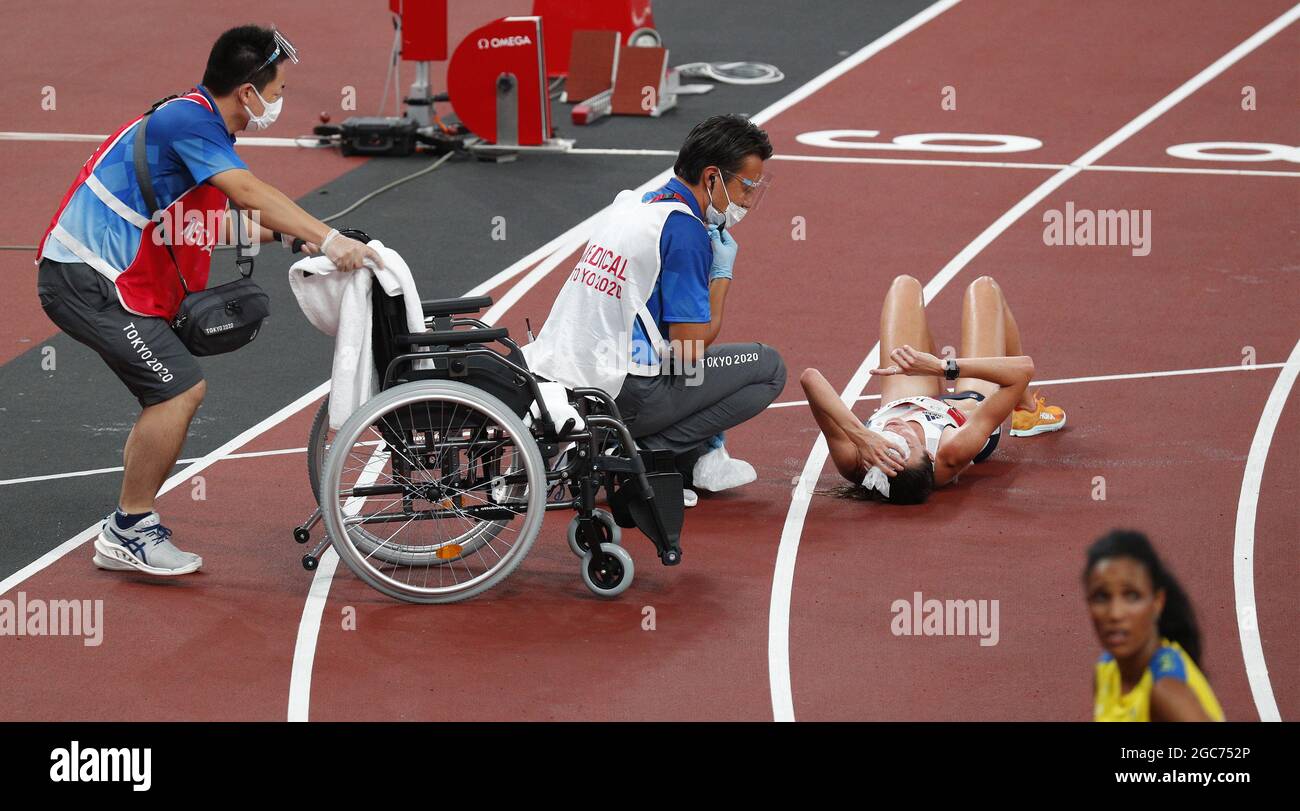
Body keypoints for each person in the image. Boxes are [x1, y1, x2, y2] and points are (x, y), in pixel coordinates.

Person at [34, 25, 384, 576]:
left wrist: (291, 236)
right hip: (90, 281)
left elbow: (198, 223)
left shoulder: (195, 123)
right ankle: (129, 529)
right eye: (279, 88)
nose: (281, 99)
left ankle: (131, 519)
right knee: (178, 391)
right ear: (249, 92)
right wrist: (328, 239)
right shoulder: (189, 121)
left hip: (102, 280)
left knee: (166, 390)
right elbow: (248, 192)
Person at [523, 115, 786, 506]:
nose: (748, 201)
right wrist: (722, 275)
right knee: (767, 368)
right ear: (712, 178)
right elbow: (689, 351)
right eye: (746, 187)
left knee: (674, 358)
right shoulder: (686, 233)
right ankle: (639, 455)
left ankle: (687, 454)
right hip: (620, 391)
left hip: (559, 374)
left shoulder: (632, 204)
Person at [801, 274, 1065, 504]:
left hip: (906, 397)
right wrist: (941, 367)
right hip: (968, 407)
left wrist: (862, 436)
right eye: (907, 444)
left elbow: (810, 378)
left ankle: (926, 368)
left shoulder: (858, 461)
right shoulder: (950, 452)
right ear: (929, 453)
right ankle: (1027, 410)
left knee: (904, 286)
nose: (896, 432)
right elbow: (1022, 371)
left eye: (889, 445)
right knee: (985, 290)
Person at [1085, 529, 1224, 721]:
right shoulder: (1106, 671)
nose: (1115, 613)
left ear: (1157, 601)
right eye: (1101, 597)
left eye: (1132, 596)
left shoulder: (1165, 692)